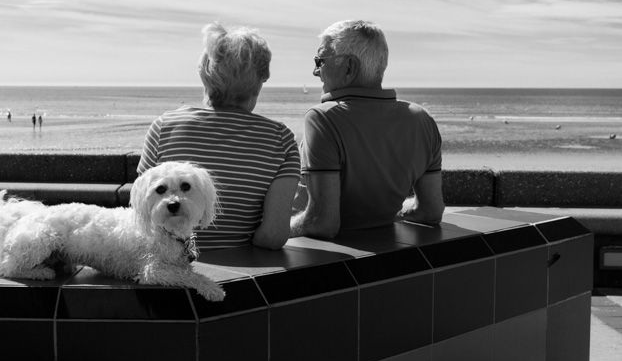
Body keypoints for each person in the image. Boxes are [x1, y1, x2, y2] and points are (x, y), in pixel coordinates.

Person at [137, 22, 301, 251]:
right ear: (261, 80)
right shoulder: (281, 139)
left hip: (170, 263)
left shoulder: (163, 126)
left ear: (205, 76)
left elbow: (143, 208)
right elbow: (272, 236)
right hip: (243, 270)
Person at [291, 20, 444, 239]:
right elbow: (430, 211)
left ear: (350, 67)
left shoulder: (323, 118)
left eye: (321, 61)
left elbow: (320, 222)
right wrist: (391, 213)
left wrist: (275, 231)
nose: (315, 71)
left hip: (319, 254)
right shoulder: (421, 119)